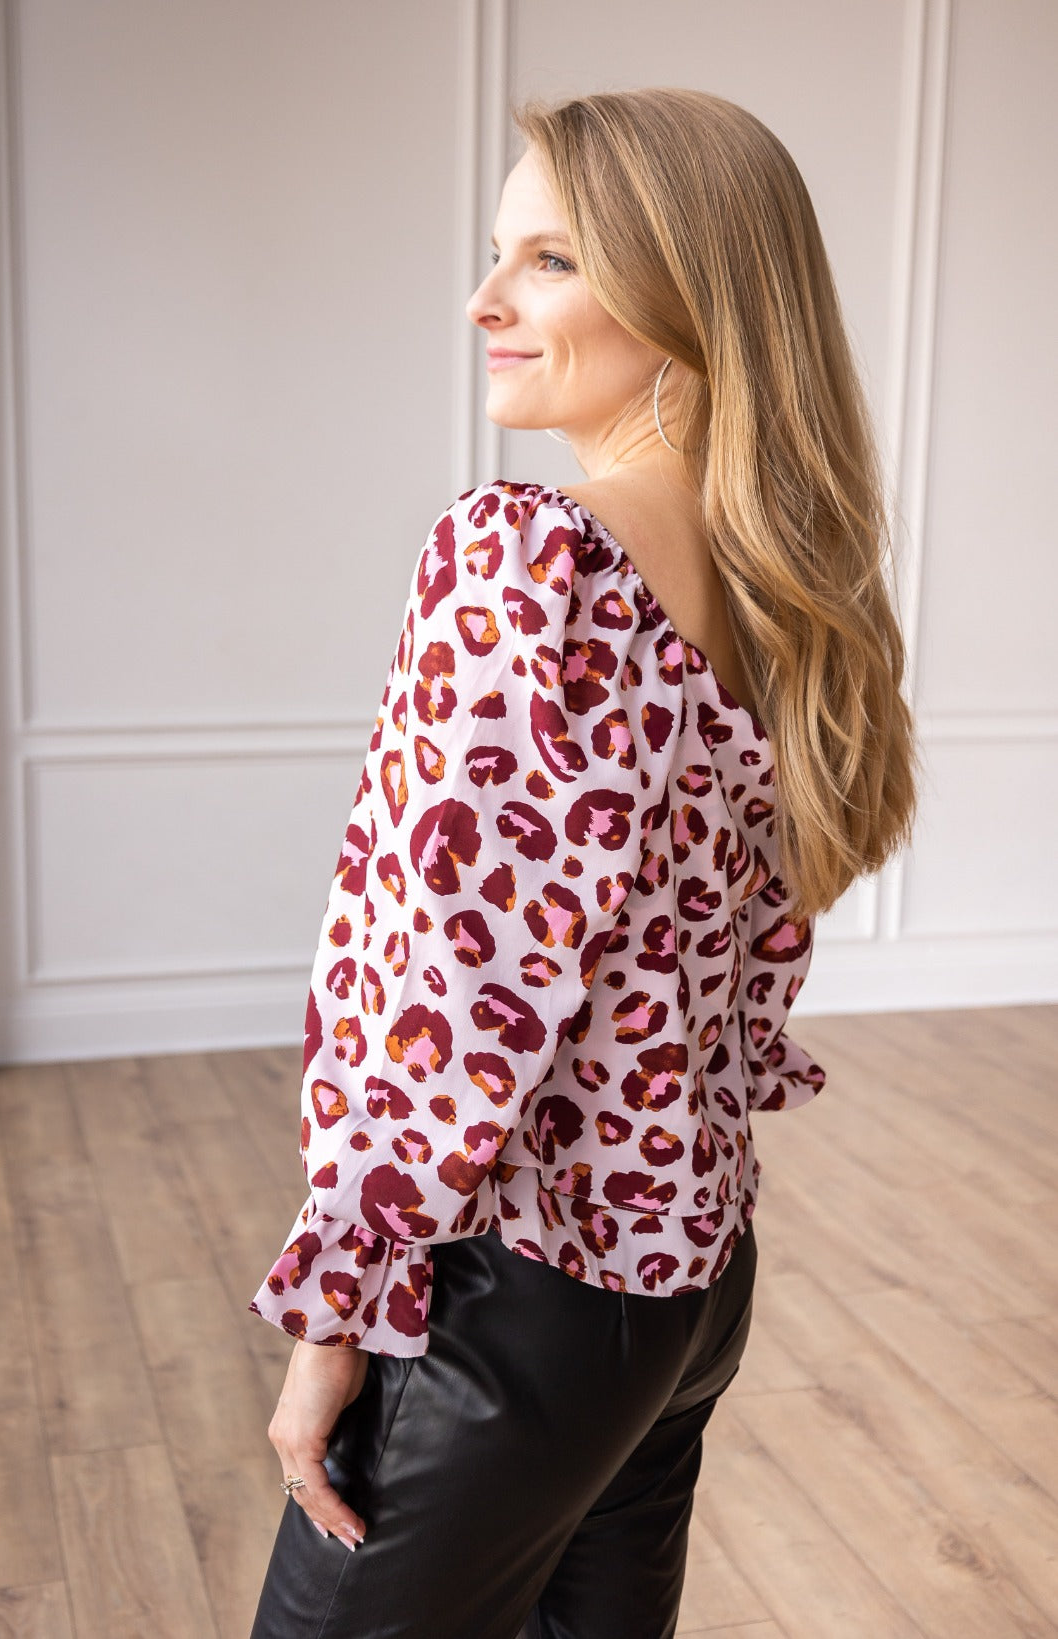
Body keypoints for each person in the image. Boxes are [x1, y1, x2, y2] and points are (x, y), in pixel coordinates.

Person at [247, 86, 918, 1639]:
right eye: (501, 252)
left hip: (505, 1291)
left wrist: (336, 1314)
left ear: (690, 298)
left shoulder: (527, 556)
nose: (483, 300)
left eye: (550, 260)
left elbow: (443, 992)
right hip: (685, 1280)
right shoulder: (780, 588)